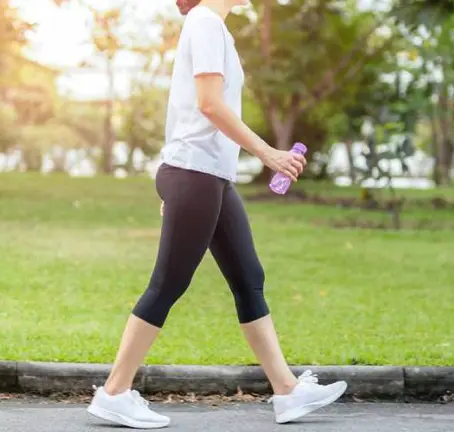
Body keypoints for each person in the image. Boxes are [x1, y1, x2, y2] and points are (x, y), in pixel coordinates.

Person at [85, 0, 347, 428]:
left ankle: (287, 392)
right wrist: (268, 154)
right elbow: (209, 104)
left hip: (209, 177)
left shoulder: (214, 27)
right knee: (168, 283)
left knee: (248, 278)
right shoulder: (204, 21)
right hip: (195, 173)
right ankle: (114, 391)